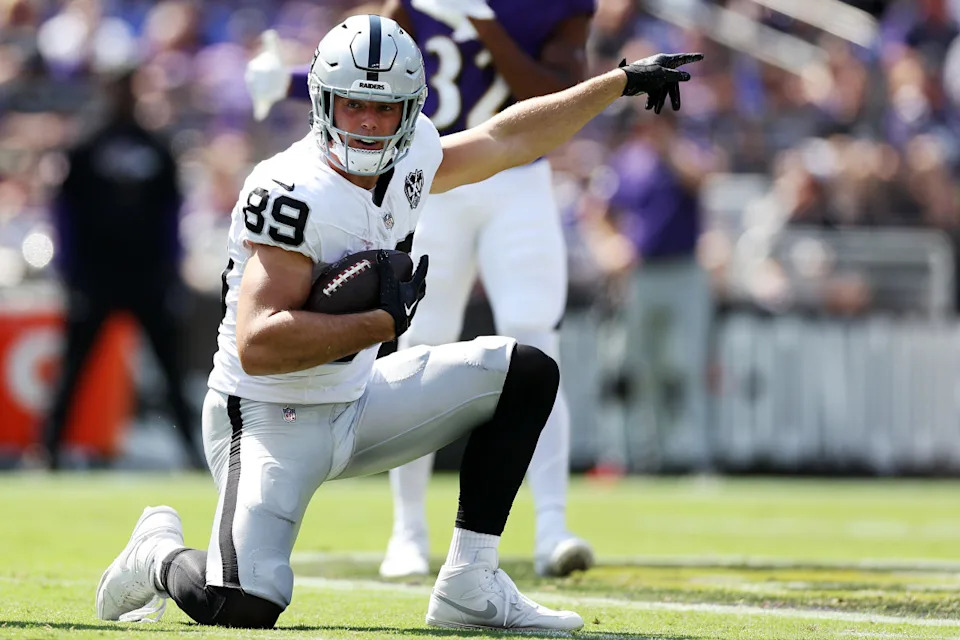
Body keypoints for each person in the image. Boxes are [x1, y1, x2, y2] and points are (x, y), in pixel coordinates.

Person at [95, 15, 700, 631]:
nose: (367, 122)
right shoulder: (290, 190)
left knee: (526, 370)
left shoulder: (413, 155)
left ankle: (471, 581)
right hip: (269, 415)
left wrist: (616, 83)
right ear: (323, 101)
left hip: (358, 398)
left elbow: (506, 140)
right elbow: (258, 344)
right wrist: (377, 323)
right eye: (353, 104)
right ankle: (158, 555)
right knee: (242, 607)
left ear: (410, 109)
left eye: (385, 109)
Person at [246, 0, 597, 579]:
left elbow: (551, 88)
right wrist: (285, 82)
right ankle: (407, 529)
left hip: (517, 175)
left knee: (536, 334)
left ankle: (553, 525)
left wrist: (485, 21)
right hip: (431, 171)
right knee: (421, 338)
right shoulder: (410, 5)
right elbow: (369, 75)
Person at [40, 68, 203, 471]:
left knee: (170, 370)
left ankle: (192, 452)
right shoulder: (84, 148)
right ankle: (49, 451)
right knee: (74, 368)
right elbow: (64, 215)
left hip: (147, 277)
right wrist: (69, 271)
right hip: (95, 278)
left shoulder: (157, 147)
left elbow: (171, 216)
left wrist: (173, 270)